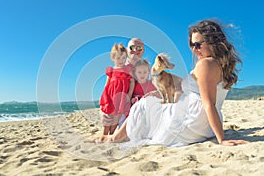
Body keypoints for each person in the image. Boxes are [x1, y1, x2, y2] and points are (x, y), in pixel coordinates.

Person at [94, 19, 247, 146]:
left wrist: (222, 140)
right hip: (206, 125)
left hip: (192, 119)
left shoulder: (205, 64)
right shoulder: (220, 65)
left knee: (145, 105)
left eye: (199, 44)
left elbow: (208, 104)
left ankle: (115, 138)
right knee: (153, 104)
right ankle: (117, 135)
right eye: (192, 45)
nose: (195, 49)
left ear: (213, 41)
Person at [99, 43, 135, 135]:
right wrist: (104, 95)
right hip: (110, 96)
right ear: (113, 58)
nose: (121, 60)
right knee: (108, 114)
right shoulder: (111, 70)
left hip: (121, 97)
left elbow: (132, 82)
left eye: (123, 58)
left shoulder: (127, 69)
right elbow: (107, 84)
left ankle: (111, 133)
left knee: (117, 116)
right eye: (118, 58)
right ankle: (104, 133)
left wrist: (129, 94)